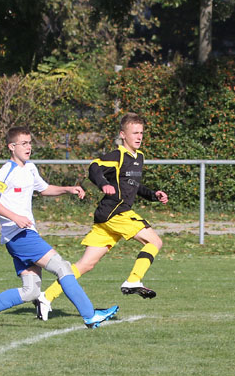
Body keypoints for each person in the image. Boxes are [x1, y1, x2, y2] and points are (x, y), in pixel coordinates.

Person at [0, 126, 118, 329]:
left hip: (23, 235)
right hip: (19, 235)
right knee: (62, 267)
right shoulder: (5, 172)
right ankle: (90, 315)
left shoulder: (30, 168)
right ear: (12, 147)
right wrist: (15, 217)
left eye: (30, 143)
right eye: (23, 144)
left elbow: (44, 189)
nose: (28, 147)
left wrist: (67, 189)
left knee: (31, 291)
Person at [35, 113, 168, 321]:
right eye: (134, 133)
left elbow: (133, 185)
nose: (139, 136)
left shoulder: (139, 157)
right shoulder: (118, 155)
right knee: (155, 242)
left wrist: (153, 195)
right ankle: (134, 280)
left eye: (141, 133)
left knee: (85, 265)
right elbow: (94, 167)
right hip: (117, 212)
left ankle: (46, 296)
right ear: (123, 134)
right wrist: (103, 184)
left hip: (107, 216)